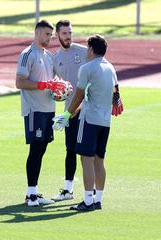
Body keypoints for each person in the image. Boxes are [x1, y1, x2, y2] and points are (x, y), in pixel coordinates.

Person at [53, 34, 123, 211]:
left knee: (87, 160)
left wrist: (67, 115)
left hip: (89, 121)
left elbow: (78, 96)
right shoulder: (111, 68)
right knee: (100, 160)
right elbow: (113, 92)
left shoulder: (86, 68)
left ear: (91, 49)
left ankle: (87, 201)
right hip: (105, 122)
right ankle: (98, 200)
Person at [15, 20, 67, 207]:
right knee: (35, 150)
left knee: (42, 149)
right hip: (34, 110)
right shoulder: (27, 54)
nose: (49, 38)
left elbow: (54, 79)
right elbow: (20, 82)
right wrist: (44, 85)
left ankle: (34, 192)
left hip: (48, 110)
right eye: (46, 34)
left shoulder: (49, 56)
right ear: (37, 33)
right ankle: (30, 195)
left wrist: (60, 89)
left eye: (51, 35)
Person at [51, 20, 88, 202]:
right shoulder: (55, 58)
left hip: (88, 111)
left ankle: (93, 193)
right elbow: (53, 85)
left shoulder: (83, 52)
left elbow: (101, 68)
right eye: (64, 33)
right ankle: (68, 190)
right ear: (57, 35)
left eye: (70, 33)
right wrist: (56, 93)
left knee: (89, 152)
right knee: (70, 150)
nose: (68, 36)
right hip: (69, 112)